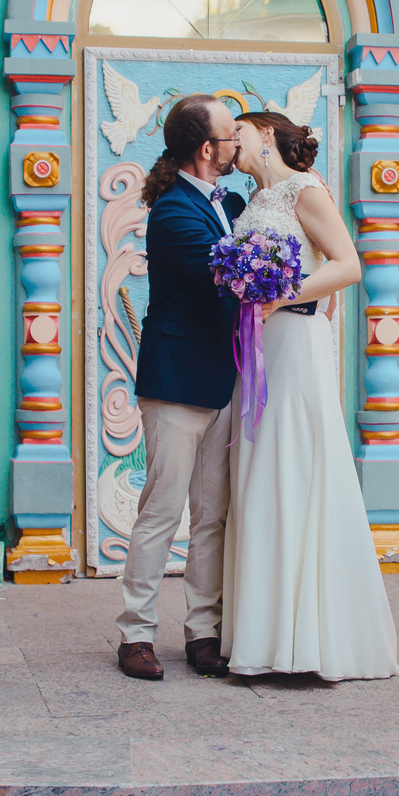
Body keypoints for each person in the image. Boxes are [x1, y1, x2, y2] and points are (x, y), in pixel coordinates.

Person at [218, 108, 399, 682]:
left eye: (240, 129)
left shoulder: (304, 189)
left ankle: (311, 639)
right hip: (259, 347)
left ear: (266, 134)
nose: (231, 139)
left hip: (295, 342)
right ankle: (264, 635)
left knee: (296, 464)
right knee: (260, 471)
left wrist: (282, 295)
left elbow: (348, 266)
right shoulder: (250, 201)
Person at [115, 93, 244, 682]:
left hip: (224, 380)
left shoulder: (229, 203)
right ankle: (136, 635)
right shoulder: (172, 213)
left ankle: (203, 632)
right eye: (231, 135)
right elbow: (232, 274)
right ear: (207, 149)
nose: (237, 143)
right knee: (161, 512)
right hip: (176, 382)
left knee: (211, 514)